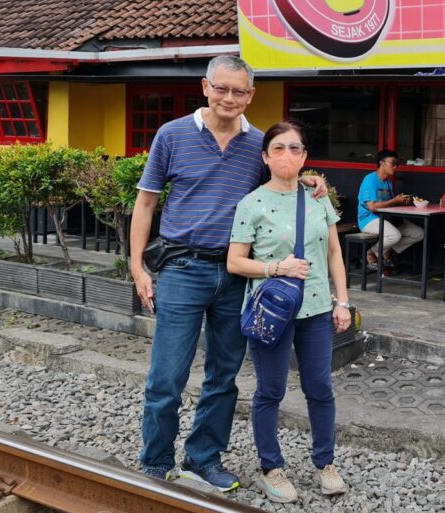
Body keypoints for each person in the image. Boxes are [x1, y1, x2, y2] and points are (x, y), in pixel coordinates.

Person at [130, 55, 325, 491]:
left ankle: (203, 459)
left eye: (239, 91)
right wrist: (137, 266)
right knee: (167, 376)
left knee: (224, 377)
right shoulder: (172, 135)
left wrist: (312, 179)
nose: (229, 98)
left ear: (250, 95)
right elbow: (145, 203)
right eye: (221, 88)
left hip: (239, 275)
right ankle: (156, 463)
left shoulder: (258, 144)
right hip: (181, 268)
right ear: (205, 87)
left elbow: (281, 178)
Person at [227, 121, 352, 503]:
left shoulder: (317, 197)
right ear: (265, 157)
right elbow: (235, 262)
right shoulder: (252, 204)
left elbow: (333, 252)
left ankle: (325, 463)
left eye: (295, 148)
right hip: (272, 312)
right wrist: (275, 268)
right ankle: (271, 466)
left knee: (320, 388)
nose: (287, 155)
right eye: (278, 148)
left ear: (304, 157)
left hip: (315, 309)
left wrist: (342, 301)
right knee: (271, 390)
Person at [357, 149, 424, 271]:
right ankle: (371, 252)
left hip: (387, 219)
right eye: (392, 163)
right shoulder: (370, 179)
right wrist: (394, 201)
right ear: (382, 163)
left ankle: (385, 250)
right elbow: (372, 207)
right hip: (368, 219)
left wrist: (400, 201)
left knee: (418, 233)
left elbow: (388, 205)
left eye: (397, 163)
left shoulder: (388, 182)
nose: (395, 166)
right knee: (394, 235)